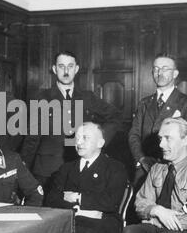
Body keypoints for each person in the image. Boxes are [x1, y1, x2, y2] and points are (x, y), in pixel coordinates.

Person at [20, 50, 122, 191]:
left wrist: (98, 140)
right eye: (61, 66)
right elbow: (32, 138)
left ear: (76, 69)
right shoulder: (42, 97)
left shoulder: (87, 97)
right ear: (55, 69)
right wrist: (23, 168)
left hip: (78, 167)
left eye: (70, 66)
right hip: (46, 170)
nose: (66, 71)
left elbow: (115, 116)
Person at [45, 121, 128, 233]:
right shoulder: (66, 168)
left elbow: (110, 202)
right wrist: (79, 210)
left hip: (100, 226)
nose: (79, 142)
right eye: (77, 138)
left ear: (100, 143)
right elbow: (52, 199)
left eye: (85, 138)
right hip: (70, 221)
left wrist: (77, 197)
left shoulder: (115, 168)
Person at [129, 53, 187, 186]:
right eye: (156, 69)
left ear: (175, 74)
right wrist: (142, 158)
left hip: (173, 168)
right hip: (145, 168)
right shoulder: (144, 103)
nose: (159, 73)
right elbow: (134, 134)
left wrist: (166, 165)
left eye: (165, 69)